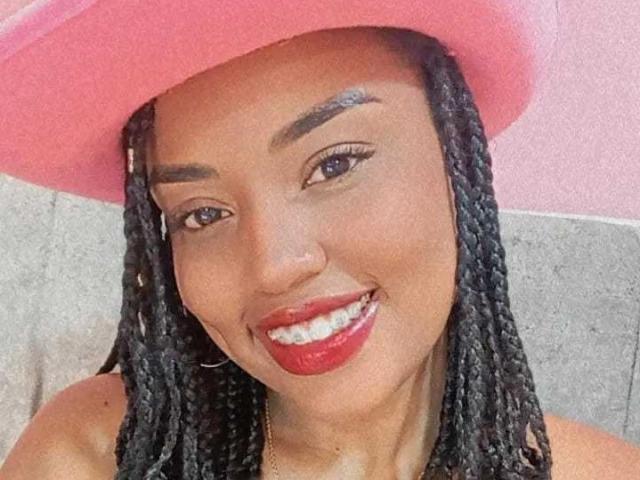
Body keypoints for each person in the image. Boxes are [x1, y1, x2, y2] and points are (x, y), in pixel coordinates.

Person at [1, 2, 639, 480]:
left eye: (335, 165)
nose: (275, 266)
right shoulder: (95, 458)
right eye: (202, 214)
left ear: (457, 163)